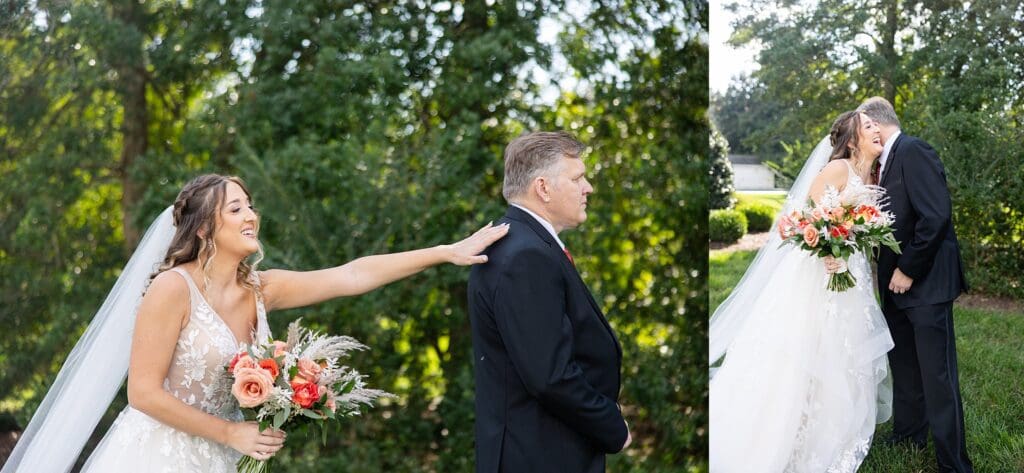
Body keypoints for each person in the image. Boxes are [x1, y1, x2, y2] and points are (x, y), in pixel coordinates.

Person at [2, 174, 508, 473]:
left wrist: (445, 252)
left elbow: (353, 274)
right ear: (204, 228)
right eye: (236, 208)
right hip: (156, 456)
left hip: (221, 459)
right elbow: (143, 393)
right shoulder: (171, 289)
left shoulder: (262, 289)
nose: (252, 215)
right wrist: (231, 433)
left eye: (251, 205)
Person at [709, 111, 894, 472]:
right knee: (805, 348)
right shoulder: (838, 169)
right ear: (853, 140)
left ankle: (829, 427)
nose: (877, 130)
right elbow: (804, 218)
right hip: (818, 276)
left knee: (841, 348)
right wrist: (827, 248)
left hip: (850, 272)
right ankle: (786, 433)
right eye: (868, 126)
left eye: (877, 125)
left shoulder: (871, 173)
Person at [467, 131, 630, 473]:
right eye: (577, 178)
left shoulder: (521, 243)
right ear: (543, 188)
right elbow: (550, 376)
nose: (588, 188)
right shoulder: (525, 256)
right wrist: (613, 427)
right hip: (541, 456)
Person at [859, 96, 972, 473]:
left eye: (863, 125)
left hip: (924, 284)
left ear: (874, 124)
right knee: (905, 365)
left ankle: (952, 461)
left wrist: (907, 269)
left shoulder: (914, 151)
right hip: (893, 286)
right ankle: (909, 432)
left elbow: (936, 216)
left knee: (937, 375)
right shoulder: (883, 162)